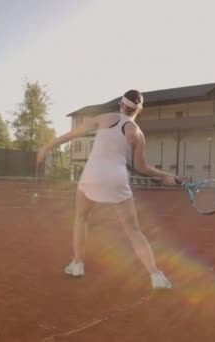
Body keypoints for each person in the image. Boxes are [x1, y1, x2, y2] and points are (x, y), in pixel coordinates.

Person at [37, 89, 178, 289]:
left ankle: (77, 264)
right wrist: (165, 175)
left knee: (81, 217)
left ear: (121, 104)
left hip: (92, 174)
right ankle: (156, 276)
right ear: (140, 110)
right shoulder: (137, 133)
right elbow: (141, 168)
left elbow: (72, 134)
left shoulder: (104, 118)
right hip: (117, 179)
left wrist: (46, 147)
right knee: (133, 231)